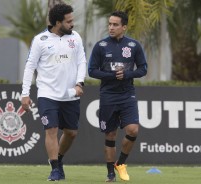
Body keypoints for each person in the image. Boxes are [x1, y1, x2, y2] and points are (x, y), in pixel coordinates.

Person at [21, 3, 86, 181]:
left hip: (70, 94)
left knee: (71, 133)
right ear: (58, 22)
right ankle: (55, 168)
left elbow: (82, 62)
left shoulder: (76, 38)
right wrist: (25, 94)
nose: (72, 24)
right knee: (51, 129)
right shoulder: (40, 40)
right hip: (47, 94)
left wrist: (80, 83)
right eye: (69, 21)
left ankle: (59, 158)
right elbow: (29, 67)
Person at [88, 11, 147, 182]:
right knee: (110, 135)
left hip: (127, 94)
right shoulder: (101, 46)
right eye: (109, 24)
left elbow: (143, 69)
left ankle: (120, 163)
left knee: (133, 130)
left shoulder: (134, 46)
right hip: (108, 95)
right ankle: (110, 174)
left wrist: (127, 74)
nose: (111, 27)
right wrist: (112, 75)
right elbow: (92, 71)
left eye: (115, 24)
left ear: (124, 27)